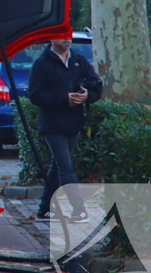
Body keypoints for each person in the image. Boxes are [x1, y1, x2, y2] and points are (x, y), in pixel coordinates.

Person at [28, 37, 103, 223]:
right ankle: (78, 209)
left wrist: (86, 96)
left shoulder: (79, 61)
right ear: (52, 38)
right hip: (52, 125)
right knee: (65, 166)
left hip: (74, 123)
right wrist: (64, 99)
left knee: (57, 166)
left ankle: (44, 209)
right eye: (62, 36)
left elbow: (96, 86)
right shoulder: (42, 64)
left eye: (69, 35)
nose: (67, 39)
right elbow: (35, 95)